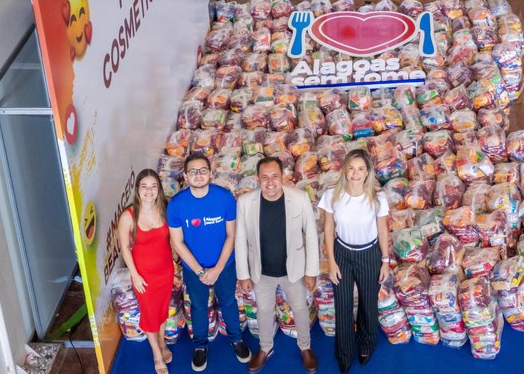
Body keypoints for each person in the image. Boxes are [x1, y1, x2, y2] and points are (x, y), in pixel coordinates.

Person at [235, 157, 320, 373]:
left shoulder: (299, 199)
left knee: (300, 308)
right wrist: (243, 274)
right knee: (263, 310)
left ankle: (305, 347)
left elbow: (311, 236)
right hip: (261, 271)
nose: (270, 182)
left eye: (275, 176)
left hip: (295, 270)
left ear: (283, 177)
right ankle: (265, 348)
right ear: (257, 179)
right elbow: (240, 240)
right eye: (265, 177)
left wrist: (311, 272)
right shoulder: (245, 203)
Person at [167, 154, 251, 372]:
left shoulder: (224, 198)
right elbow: (177, 242)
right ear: (185, 176)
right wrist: (200, 271)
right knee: (198, 306)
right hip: (194, 269)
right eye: (193, 171)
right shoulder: (176, 204)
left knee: (228, 302)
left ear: (210, 173)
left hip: (224, 264)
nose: (198, 175)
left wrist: (218, 268)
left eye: (203, 170)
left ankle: (236, 339)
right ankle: (200, 346)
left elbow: (231, 236)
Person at [318, 149, 390, 373]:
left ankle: (366, 344)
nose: (355, 173)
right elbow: (328, 229)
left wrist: (385, 260)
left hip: (369, 254)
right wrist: (332, 262)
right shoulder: (333, 195)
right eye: (351, 168)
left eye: (360, 169)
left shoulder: (378, 198)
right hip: (342, 253)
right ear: (344, 170)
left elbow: (382, 230)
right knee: (343, 304)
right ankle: (344, 352)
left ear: (368, 172)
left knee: (368, 303)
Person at [117, 169, 175, 374]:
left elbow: (173, 239)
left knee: (162, 311)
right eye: (144, 186)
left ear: (158, 189)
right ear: (137, 189)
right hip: (144, 276)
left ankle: (161, 341)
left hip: (165, 271)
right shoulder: (129, 215)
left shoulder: (165, 208)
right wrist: (135, 274)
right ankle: (157, 354)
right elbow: (124, 248)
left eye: (153, 186)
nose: (149, 191)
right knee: (150, 314)